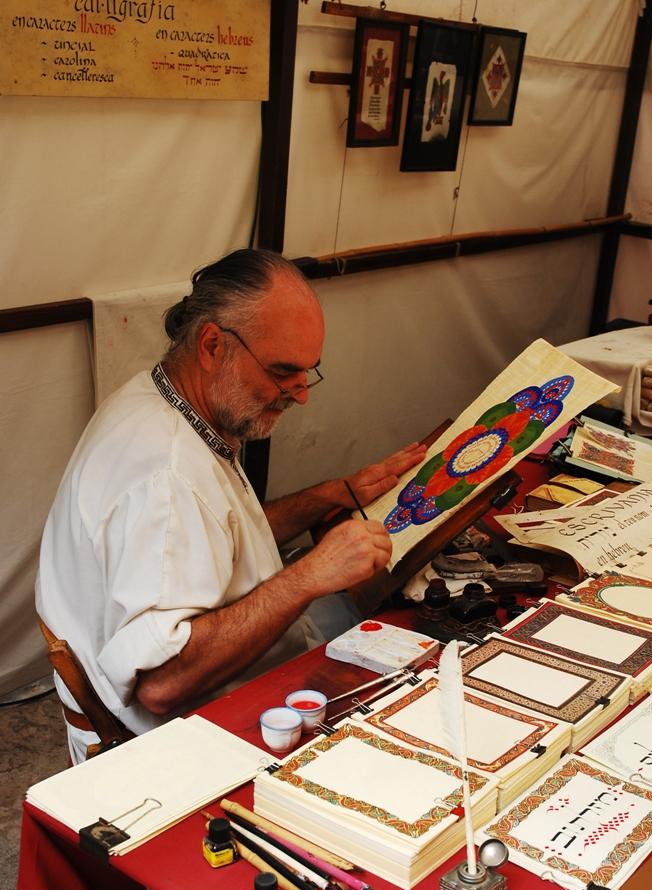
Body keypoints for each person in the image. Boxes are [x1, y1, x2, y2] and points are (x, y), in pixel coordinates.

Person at [36, 249, 426, 763]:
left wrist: (333, 495)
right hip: (179, 735)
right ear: (212, 345)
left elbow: (222, 536)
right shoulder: (165, 477)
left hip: (221, 681)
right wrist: (309, 576)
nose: (300, 395)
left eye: (307, 373)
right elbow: (161, 683)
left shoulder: (162, 397)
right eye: (283, 372)